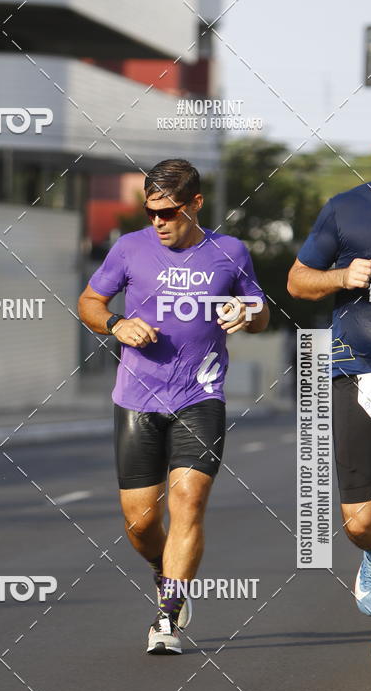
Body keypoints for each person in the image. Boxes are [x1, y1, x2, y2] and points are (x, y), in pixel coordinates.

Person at [78, 159, 269, 654]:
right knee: (141, 523)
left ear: (196, 204)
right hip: (138, 398)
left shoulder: (230, 253)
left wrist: (244, 312)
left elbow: (261, 311)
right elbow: (89, 302)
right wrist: (116, 325)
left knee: (188, 501)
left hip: (200, 395)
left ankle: (166, 619)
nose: (159, 221)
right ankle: (164, 570)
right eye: (151, 211)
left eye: (170, 211)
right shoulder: (129, 248)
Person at [287, 110, 371, 677]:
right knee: (361, 519)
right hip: (354, 372)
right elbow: (295, 281)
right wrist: (340, 277)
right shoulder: (346, 209)